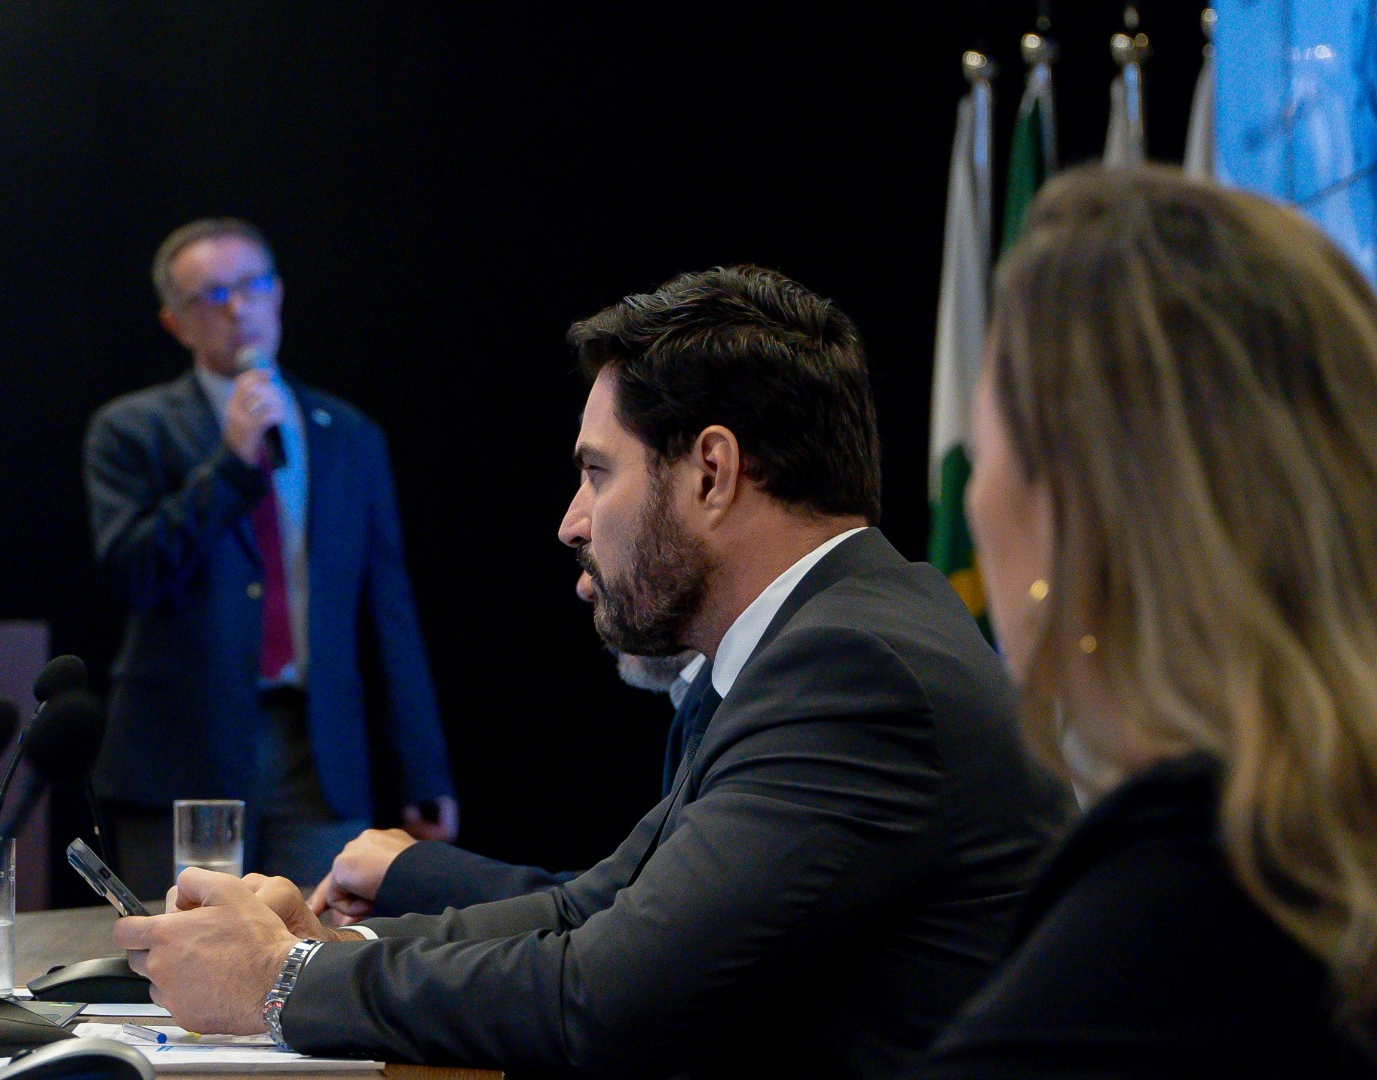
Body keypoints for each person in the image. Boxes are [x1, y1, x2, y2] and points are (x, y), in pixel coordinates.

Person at [116, 264, 1069, 1078]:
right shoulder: (814, 639)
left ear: (711, 473)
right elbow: (597, 907)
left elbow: (602, 997)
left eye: (598, 472)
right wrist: (322, 944)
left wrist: (279, 981)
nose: (571, 522)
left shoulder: (851, 669)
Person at [907, 165, 1377, 1078]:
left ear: (1075, 512)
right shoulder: (1312, 853)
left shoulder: (1187, 914)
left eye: (986, 448)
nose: (971, 500)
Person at [85, 218, 456, 896]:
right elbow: (133, 573)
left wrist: (423, 769)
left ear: (278, 294)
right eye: (211, 295)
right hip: (182, 754)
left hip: (317, 749)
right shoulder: (132, 429)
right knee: (184, 945)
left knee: (315, 939)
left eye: (252, 285)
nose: (238, 308)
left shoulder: (348, 434)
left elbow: (389, 611)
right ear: (175, 323)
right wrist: (231, 463)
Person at [312, 572, 704, 920]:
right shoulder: (704, 707)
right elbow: (620, 906)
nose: (585, 586)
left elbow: (628, 925)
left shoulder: (736, 716)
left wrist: (411, 874)